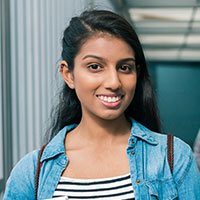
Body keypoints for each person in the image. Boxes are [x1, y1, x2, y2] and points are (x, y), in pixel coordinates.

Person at [4, 9, 200, 200]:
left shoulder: (174, 159)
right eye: (95, 67)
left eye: (125, 67)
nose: (114, 82)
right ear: (68, 74)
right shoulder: (31, 173)